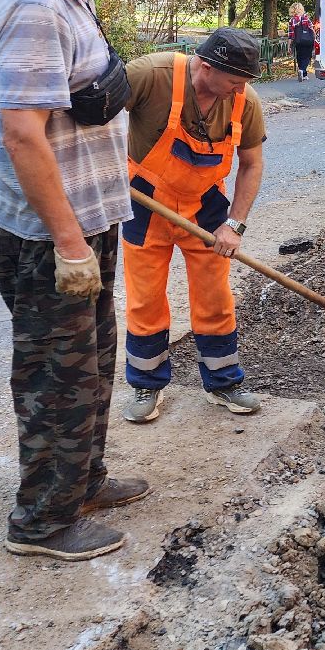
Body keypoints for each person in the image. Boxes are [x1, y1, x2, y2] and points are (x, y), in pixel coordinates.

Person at [0, 0, 149, 562]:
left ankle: (83, 483)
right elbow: (24, 134)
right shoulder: (32, 7)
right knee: (56, 378)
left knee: (92, 366)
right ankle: (43, 522)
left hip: (88, 227)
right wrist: (70, 242)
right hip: (50, 239)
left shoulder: (70, 2)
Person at [120, 28, 267, 423]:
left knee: (215, 298)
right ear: (206, 66)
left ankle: (223, 383)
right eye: (235, 81)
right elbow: (92, 114)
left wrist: (234, 225)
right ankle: (146, 385)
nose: (240, 91)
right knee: (145, 299)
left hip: (205, 207)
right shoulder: (151, 75)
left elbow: (252, 165)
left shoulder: (244, 102)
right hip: (146, 202)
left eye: (244, 83)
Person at [287, 2, 315, 81]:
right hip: (308, 41)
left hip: (298, 41)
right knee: (307, 57)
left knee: (300, 57)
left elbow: (291, 35)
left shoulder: (291, 21)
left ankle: (304, 74)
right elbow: (312, 30)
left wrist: (289, 46)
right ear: (301, 9)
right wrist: (315, 39)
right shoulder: (306, 19)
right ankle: (302, 70)